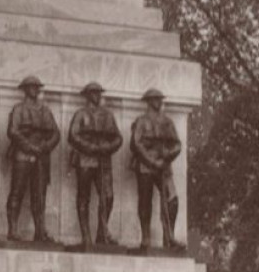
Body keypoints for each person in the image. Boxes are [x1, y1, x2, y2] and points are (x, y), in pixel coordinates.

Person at [4, 76, 60, 242]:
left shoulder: (45, 110)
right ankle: (12, 229)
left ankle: (40, 230)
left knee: (40, 194)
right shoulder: (19, 109)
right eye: (32, 87)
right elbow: (13, 131)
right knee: (17, 192)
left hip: (42, 155)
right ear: (25, 89)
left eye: (37, 87)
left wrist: (45, 147)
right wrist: (29, 146)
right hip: (23, 154)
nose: (35, 89)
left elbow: (56, 133)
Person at [67, 81, 122, 248]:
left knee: (108, 196)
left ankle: (101, 233)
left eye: (99, 92)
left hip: (104, 159)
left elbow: (118, 138)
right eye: (93, 92)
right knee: (84, 197)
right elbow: (73, 136)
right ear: (87, 95)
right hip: (85, 159)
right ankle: (86, 236)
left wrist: (107, 147)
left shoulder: (108, 115)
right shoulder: (80, 114)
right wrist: (90, 147)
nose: (97, 95)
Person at [129, 88, 183, 251]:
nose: (158, 102)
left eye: (159, 99)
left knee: (172, 199)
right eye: (154, 99)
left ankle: (169, 236)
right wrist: (152, 161)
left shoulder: (167, 122)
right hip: (146, 165)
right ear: (148, 101)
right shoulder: (141, 121)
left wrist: (167, 155)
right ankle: (146, 237)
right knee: (145, 201)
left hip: (164, 166)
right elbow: (135, 144)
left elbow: (177, 144)